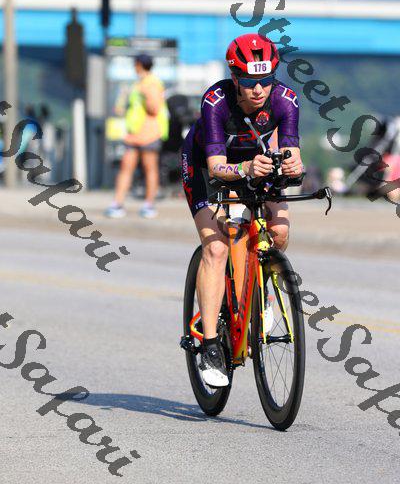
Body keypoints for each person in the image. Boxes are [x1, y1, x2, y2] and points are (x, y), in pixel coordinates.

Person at [181, 33, 303, 387]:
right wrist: (247, 168)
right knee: (217, 248)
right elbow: (217, 167)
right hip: (206, 166)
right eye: (249, 82)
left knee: (278, 230)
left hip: (255, 163)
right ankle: (210, 345)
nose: (258, 90)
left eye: (266, 80)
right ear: (235, 79)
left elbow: (292, 152)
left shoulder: (286, 101)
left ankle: (260, 289)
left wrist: (293, 166)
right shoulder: (216, 101)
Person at [105, 53, 169, 219]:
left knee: (150, 168)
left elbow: (154, 108)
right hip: (134, 133)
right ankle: (117, 203)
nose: (134, 67)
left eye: (135, 64)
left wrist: (145, 94)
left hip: (150, 133)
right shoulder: (138, 83)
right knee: (126, 167)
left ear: (140, 64)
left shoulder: (152, 83)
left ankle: (149, 205)